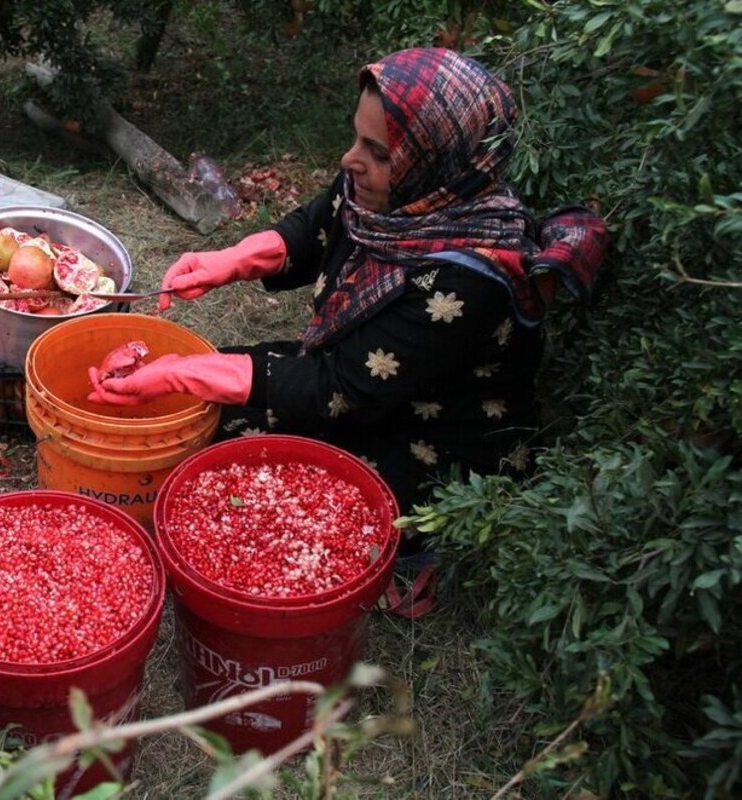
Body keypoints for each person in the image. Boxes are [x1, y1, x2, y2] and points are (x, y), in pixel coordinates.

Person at [88, 47, 607, 517]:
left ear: (434, 161)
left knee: (243, 486)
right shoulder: (399, 188)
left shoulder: (471, 280)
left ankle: (422, 549)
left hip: (429, 430)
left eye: (377, 152)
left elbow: (340, 390)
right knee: (209, 411)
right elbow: (322, 220)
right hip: (363, 372)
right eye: (357, 136)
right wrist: (233, 259)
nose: (350, 159)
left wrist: (185, 373)